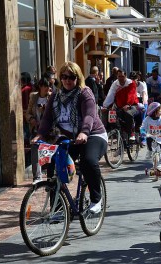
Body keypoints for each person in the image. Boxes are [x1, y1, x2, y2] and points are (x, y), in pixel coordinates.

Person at [33, 61, 107, 214]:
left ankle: (96, 199)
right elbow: (47, 118)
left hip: (93, 134)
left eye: (71, 77)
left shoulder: (85, 93)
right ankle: (58, 208)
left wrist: (84, 132)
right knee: (54, 164)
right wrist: (40, 134)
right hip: (70, 137)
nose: (67, 80)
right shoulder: (56, 95)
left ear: (78, 78)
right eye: (64, 77)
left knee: (88, 161)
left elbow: (89, 116)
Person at [103, 69, 140, 140]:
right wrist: (105, 106)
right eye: (119, 76)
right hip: (120, 106)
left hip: (132, 105)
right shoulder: (115, 84)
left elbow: (131, 95)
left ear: (125, 76)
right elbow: (110, 94)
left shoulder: (131, 83)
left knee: (128, 114)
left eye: (122, 76)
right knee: (113, 115)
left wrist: (128, 105)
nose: (120, 78)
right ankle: (119, 133)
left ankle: (131, 132)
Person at [26, 77, 51, 183]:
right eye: (45, 86)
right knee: (35, 149)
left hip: (49, 130)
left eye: (48, 86)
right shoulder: (33, 97)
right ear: (40, 86)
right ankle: (37, 177)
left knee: (47, 153)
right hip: (36, 129)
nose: (47, 88)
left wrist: (45, 110)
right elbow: (27, 113)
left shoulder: (51, 97)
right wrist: (31, 119)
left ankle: (50, 175)